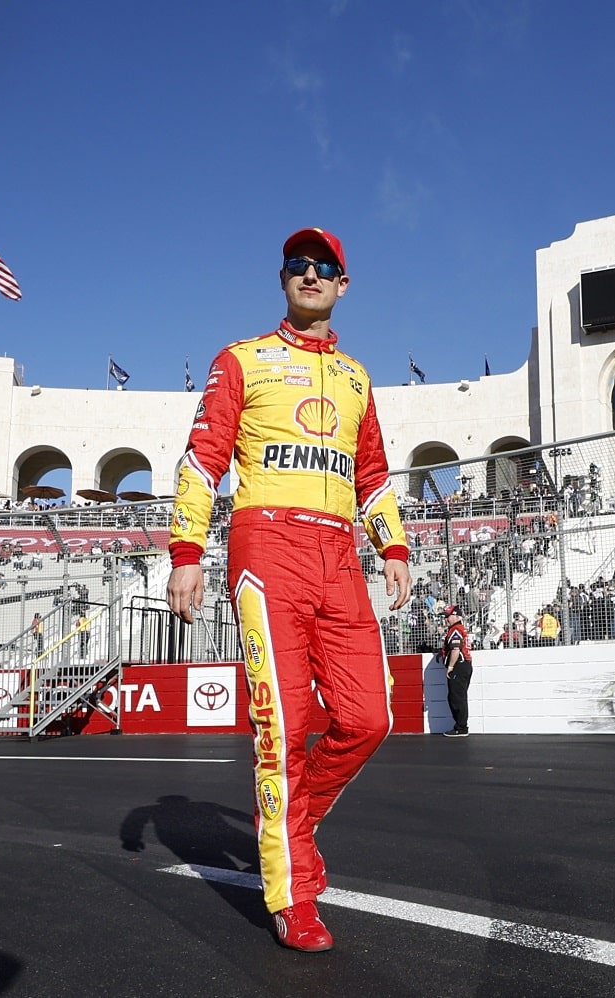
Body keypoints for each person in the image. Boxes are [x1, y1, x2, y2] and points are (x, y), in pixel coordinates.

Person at [166, 226, 412, 953]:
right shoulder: (241, 360)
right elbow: (202, 459)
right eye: (298, 264)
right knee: (283, 730)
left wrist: (392, 546)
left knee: (370, 719)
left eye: (325, 266)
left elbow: (373, 476)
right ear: (283, 279)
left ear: (343, 285)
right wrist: (186, 551)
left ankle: (295, 822)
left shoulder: (359, 378)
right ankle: (293, 894)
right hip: (266, 546)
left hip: (340, 554)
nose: (310, 273)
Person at [440, 604, 473, 737]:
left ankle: (461, 728)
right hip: (464, 664)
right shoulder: (460, 629)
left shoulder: (455, 629)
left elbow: (455, 649)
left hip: (459, 665)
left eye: (448, 616)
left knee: (457, 698)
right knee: (457, 697)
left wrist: (450, 667)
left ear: (455, 616)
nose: (446, 619)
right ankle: (460, 726)